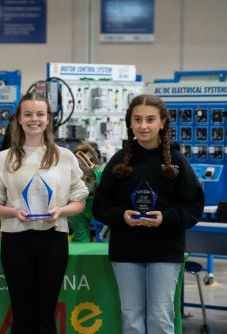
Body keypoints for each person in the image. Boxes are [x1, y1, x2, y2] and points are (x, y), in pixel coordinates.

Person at [92, 94, 204, 334]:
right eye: (138, 119)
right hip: (126, 251)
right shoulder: (118, 161)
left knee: (160, 318)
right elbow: (100, 207)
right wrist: (122, 216)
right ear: (130, 123)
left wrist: (166, 218)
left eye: (150, 119)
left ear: (162, 123)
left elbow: (193, 207)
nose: (144, 126)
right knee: (131, 317)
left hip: (165, 251)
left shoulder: (176, 161)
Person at [0, 92, 88, 333]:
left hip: (54, 239)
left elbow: (79, 200)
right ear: (19, 118)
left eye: (40, 114)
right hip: (16, 240)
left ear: (48, 119)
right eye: (27, 114)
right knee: (22, 315)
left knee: (46, 315)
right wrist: (12, 211)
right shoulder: (2, 159)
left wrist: (61, 211)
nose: (34, 119)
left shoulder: (65, 157)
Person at [68, 142, 103, 242]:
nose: (82, 164)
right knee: (81, 239)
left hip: (101, 206)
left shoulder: (101, 173)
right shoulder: (70, 175)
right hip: (79, 209)